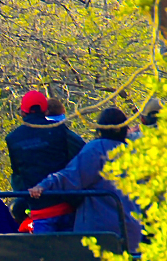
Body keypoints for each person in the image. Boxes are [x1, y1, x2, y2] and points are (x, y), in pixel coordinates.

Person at [27, 107, 143, 252]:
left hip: (102, 233)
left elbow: (71, 176)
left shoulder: (97, 149)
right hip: (133, 233)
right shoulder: (134, 153)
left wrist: (44, 186)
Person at [6, 90, 87, 233]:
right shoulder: (59, 130)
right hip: (66, 205)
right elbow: (82, 153)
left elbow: (17, 174)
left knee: (46, 254)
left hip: (40, 211)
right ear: (45, 109)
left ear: (23, 112)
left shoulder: (13, 139)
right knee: (73, 252)